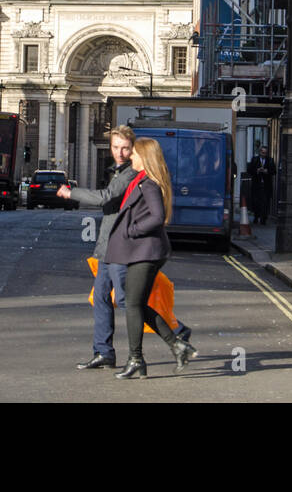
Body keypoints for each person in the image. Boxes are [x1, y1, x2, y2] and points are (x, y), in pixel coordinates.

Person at [60, 126, 192, 370]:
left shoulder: (133, 173)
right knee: (101, 298)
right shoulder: (121, 171)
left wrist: (70, 193)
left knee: (127, 300)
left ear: (134, 150)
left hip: (121, 248)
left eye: (125, 148)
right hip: (107, 247)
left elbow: (105, 197)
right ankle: (104, 352)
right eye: (115, 147)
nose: (120, 153)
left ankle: (175, 331)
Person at [98, 137, 196, 379]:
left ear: (145, 157)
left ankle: (136, 359)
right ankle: (176, 346)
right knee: (136, 304)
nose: (130, 157)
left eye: (135, 154)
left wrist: (133, 229)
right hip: (142, 251)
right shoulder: (140, 180)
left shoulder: (148, 184)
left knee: (131, 304)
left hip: (147, 251)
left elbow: (157, 216)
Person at [249, 144, 275, 225]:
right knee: (256, 201)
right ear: (260, 152)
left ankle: (263, 218)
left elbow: (274, 171)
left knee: (265, 202)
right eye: (263, 152)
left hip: (266, 185)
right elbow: (249, 170)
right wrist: (257, 170)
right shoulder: (254, 159)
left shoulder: (270, 160)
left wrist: (267, 171)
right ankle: (256, 217)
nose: (264, 154)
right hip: (257, 184)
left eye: (265, 153)